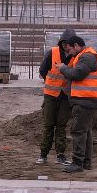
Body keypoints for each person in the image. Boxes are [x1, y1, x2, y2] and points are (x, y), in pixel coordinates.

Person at [59, 35, 97, 173]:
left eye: (69, 49)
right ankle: (86, 162)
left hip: (86, 100)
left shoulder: (87, 57)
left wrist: (63, 68)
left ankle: (78, 162)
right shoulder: (84, 56)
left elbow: (77, 74)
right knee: (85, 132)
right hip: (87, 100)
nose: (68, 52)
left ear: (77, 45)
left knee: (78, 131)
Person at [36, 30, 77, 165]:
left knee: (61, 126)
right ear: (62, 43)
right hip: (51, 95)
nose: (67, 46)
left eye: (69, 44)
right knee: (48, 125)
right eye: (65, 43)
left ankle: (60, 155)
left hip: (65, 96)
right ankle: (43, 154)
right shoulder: (52, 53)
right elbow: (42, 70)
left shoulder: (75, 56)